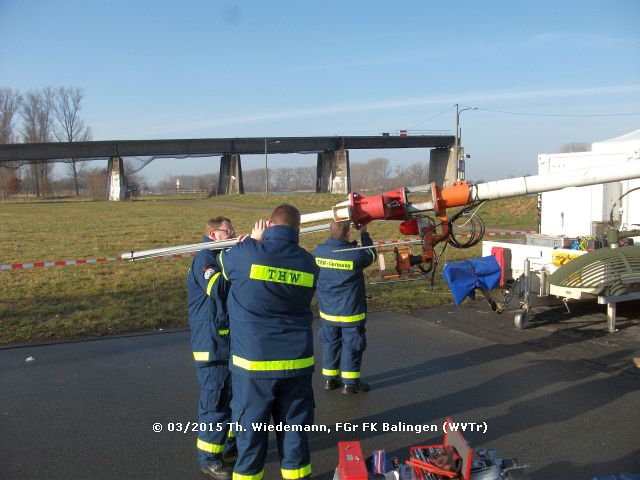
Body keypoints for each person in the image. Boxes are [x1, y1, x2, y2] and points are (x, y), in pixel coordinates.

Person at [218, 204, 319, 480]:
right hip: (297, 364)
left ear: (269, 225)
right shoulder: (309, 263)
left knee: (251, 436)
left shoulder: (246, 253)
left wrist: (252, 241)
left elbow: (225, 269)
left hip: (254, 365)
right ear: (298, 231)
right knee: (295, 433)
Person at [187, 216, 239, 480]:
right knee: (214, 402)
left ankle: (229, 446)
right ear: (212, 233)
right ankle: (209, 459)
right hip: (211, 344)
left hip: (224, 341)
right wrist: (237, 263)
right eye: (227, 231)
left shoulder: (219, 255)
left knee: (230, 398)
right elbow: (216, 286)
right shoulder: (205, 258)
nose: (232, 234)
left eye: (233, 230)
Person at [314, 221, 376, 394]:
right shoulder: (354, 254)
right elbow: (371, 254)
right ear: (348, 234)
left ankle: (329, 379)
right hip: (350, 311)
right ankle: (350, 383)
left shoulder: (319, 251)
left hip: (327, 311)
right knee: (352, 345)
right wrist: (364, 233)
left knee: (330, 343)